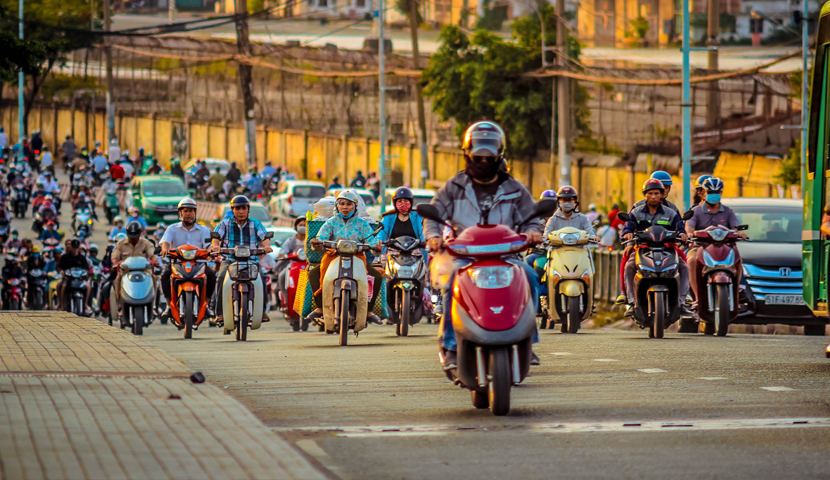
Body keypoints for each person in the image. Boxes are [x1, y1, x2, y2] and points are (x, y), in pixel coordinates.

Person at [422, 121, 543, 370]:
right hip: (465, 257)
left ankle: (527, 341)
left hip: (507, 256)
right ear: (467, 153)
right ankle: (450, 346)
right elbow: (433, 214)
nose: (484, 161)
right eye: (478, 155)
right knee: (450, 285)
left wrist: (532, 232)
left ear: (499, 154)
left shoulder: (515, 188)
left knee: (529, 276)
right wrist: (433, 237)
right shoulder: (453, 187)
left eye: (490, 155)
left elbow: (531, 217)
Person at [309, 190, 382, 325]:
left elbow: (372, 242)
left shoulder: (362, 224)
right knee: (313, 274)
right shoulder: (331, 222)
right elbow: (321, 238)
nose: (345, 207)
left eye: (348, 204)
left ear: (354, 206)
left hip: (358, 258)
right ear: (337, 206)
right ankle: (320, 308)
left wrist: (376, 247)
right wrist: (316, 242)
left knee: (376, 277)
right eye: (342, 204)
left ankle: (369, 311)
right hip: (333, 257)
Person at [620, 179, 691, 318]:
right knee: (629, 266)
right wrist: (628, 235)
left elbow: (680, 228)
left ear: (662, 194)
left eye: (656, 193)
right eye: (650, 193)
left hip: (667, 249)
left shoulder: (671, 213)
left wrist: (683, 234)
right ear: (645, 194)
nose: (653, 196)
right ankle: (631, 302)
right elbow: (628, 228)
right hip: (642, 249)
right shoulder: (636, 212)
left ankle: (682, 302)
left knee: (684, 267)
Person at [211, 195, 272, 325]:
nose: (240, 211)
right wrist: (216, 246)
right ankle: (220, 313)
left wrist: (267, 246)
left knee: (261, 279)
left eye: (243, 208)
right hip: (229, 260)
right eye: (237, 208)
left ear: (248, 209)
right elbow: (216, 236)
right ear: (232, 210)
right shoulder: (225, 223)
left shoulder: (256, 223)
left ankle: (261, 311)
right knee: (221, 278)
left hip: (252, 261)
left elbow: (264, 237)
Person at [159, 198, 216, 321]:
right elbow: (166, 242)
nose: (188, 214)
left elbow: (208, 245)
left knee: (211, 275)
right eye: (185, 211)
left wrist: (211, 251)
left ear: (195, 213)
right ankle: (169, 306)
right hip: (177, 264)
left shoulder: (204, 230)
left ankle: (206, 305)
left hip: (198, 264)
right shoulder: (172, 228)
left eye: (191, 211)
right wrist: (165, 249)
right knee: (165, 276)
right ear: (180, 213)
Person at [110, 222, 158, 323]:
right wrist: (115, 262)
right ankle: (120, 306)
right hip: (125, 272)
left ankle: (153, 306)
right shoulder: (121, 244)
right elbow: (115, 256)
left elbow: (152, 253)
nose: (133, 239)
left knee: (154, 278)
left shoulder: (146, 243)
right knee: (117, 280)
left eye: (135, 236)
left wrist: (154, 259)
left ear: (140, 233)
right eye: (131, 236)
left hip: (144, 271)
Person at [275, 217, 307, 302]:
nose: (303, 227)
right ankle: (285, 299)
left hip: (307, 265)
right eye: (300, 225)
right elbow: (283, 250)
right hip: (292, 265)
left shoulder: (310, 240)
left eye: (305, 225)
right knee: (282, 276)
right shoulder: (291, 240)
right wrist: (282, 254)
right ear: (296, 226)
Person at [57, 239, 92, 314]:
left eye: (77, 247)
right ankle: (62, 305)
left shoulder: (82, 258)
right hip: (69, 279)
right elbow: (60, 267)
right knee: (63, 286)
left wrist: (87, 274)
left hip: (80, 279)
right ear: (71, 247)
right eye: (74, 247)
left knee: (88, 286)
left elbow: (86, 268)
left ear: (79, 248)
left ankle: (86, 305)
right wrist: (62, 272)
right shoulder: (65, 257)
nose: (75, 249)